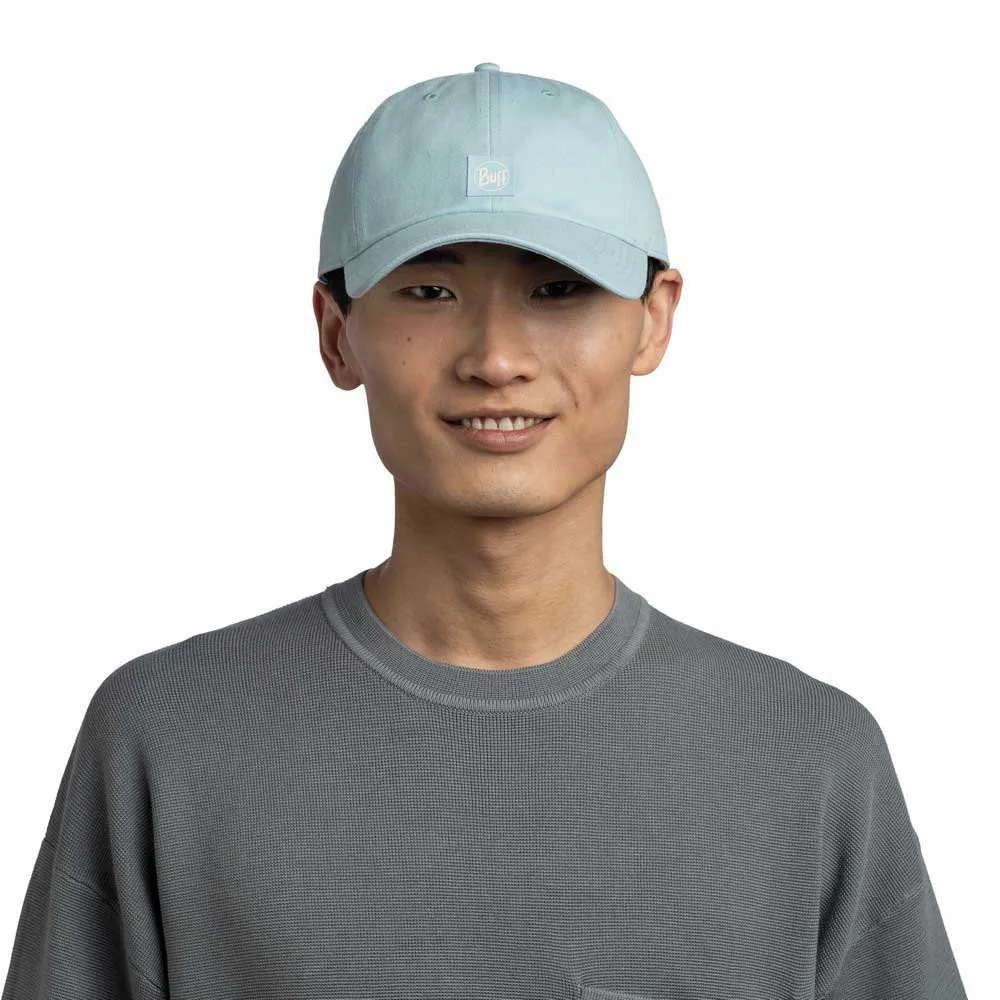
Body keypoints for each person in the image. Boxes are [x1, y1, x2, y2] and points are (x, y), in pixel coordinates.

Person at [2, 63, 967, 1000]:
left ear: (654, 320)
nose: (497, 358)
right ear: (336, 331)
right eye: (431, 291)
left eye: (559, 289)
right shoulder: (169, 739)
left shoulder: (805, 759)